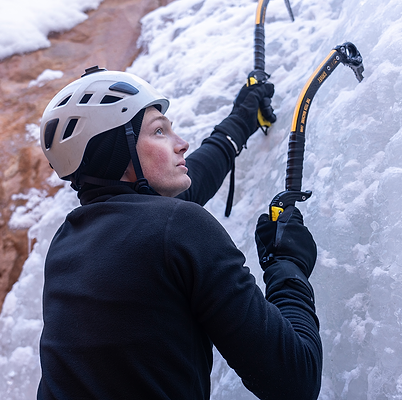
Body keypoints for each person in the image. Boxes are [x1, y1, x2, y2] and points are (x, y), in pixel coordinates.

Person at [37, 66, 322, 400]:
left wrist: (240, 122)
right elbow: (296, 381)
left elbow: (183, 190)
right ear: (117, 150)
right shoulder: (180, 227)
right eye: (160, 132)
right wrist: (287, 265)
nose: (182, 144)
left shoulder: (66, 245)